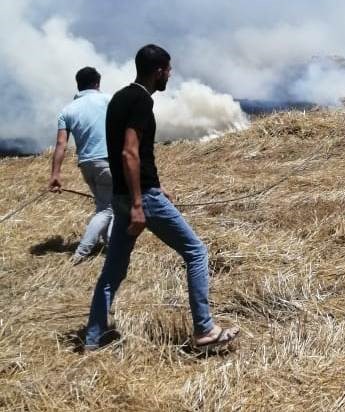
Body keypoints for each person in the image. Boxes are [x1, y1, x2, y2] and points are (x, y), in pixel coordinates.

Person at [84, 44, 238, 352]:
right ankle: (204, 330)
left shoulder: (119, 97)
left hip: (122, 196)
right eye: (168, 69)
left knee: (113, 270)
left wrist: (154, 184)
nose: (170, 74)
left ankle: (92, 339)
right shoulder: (141, 100)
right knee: (196, 252)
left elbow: (131, 153)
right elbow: (128, 151)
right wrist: (142, 201)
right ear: (158, 72)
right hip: (140, 199)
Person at [48, 67, 113, 265]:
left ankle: (111, 246)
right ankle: (82, 252)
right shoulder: (109, 100)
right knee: (108, 209)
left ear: (78, 85)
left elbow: (61, 144)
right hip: (108, 162)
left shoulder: (67, 110)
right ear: (97, 83)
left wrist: (55, 174)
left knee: (107, 205)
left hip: (86, 165)